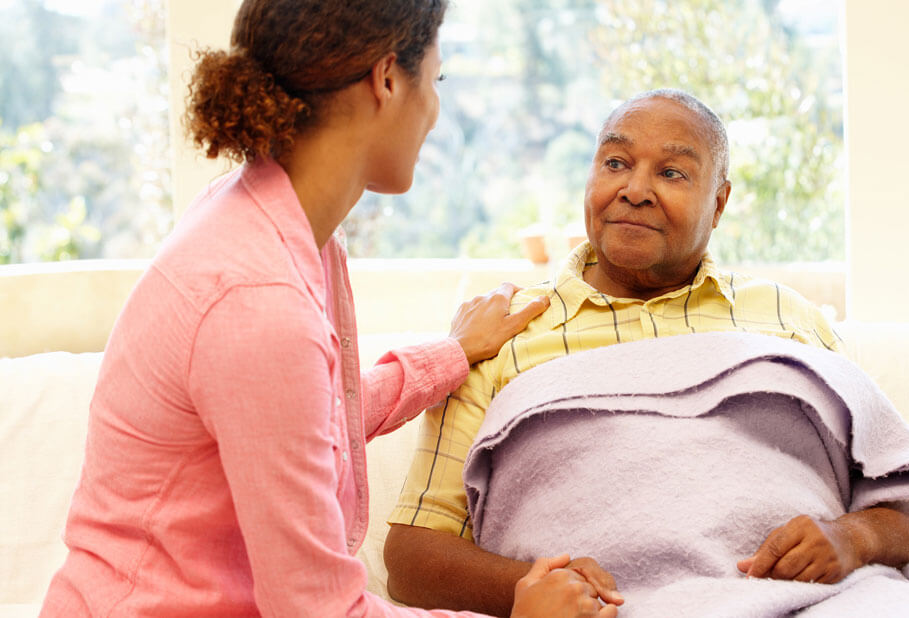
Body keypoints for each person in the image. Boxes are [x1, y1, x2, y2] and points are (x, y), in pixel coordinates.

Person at [39, 1, 620, 616]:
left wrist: (451, 356)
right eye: (436, 80)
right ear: (388, 79)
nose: (435, 110)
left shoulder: (276, 220)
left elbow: (309, 422)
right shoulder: (258, 302)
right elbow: (321, 612)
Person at [383, 89, 909, 616]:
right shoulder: (501, 333)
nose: (634, 189)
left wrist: (852, 538)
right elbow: (410, 555)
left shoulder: (788, 318)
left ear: (719, 203)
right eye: (615, 163)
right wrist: (530, 586)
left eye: (672, 172)